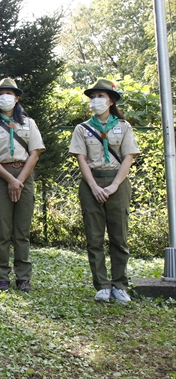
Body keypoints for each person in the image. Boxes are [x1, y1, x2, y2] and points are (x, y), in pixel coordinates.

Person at [69, 79, 139, 304]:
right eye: (93, 96)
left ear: (110, 100)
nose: (96, 100)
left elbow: (128, 156)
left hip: (117, 182)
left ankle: (119, 284)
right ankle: (101, 285)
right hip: (92, 183)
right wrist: (94, 187)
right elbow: (81, 159)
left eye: (101, 96)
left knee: (119, 238)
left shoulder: (123, 126)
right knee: (94, 237)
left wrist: (114, 185)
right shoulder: (82, 128)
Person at [0, 78, 45, 292]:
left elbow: (34, 153)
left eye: (9, 93)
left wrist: (20, 179)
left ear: (16, 98)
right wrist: (10, 180)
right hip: (0, 176)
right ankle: (2, 276)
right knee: (3, 230)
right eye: (0, 94)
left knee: (22, 231)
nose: (4, 97)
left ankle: (23, 277)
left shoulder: (29, 123)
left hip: (24, 174)